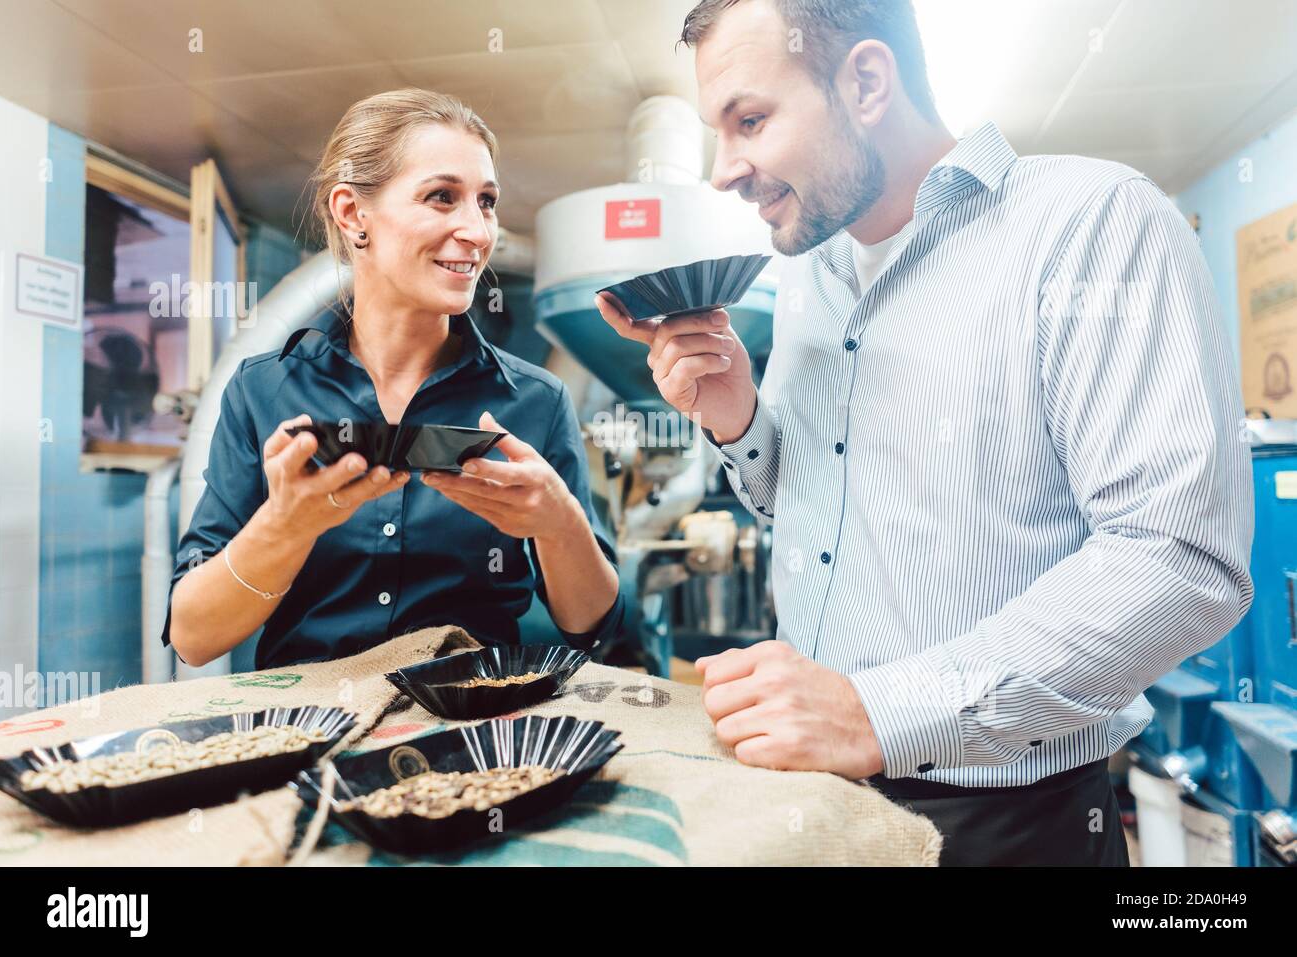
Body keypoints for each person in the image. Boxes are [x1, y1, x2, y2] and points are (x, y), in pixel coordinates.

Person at [596, 0, 1253, 865]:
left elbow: (1178, 558)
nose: (726, 170)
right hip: (818, 796)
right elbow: (813, 514)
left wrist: (879, 711)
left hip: (1009, 822)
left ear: (866, 81)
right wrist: (741, 421)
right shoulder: (811, 273)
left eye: (750, 120)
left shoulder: (1092, 224)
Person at [165, 89, 623, 669]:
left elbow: (591, 625)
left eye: (485, 202)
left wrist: (559, 524)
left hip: (476, 730)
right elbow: (194, 638)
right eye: (441, 197)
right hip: (313, 734)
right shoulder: (262, 392)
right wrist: (284, 528)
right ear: (355, 214)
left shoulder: (535, 400)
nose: (479, 233)